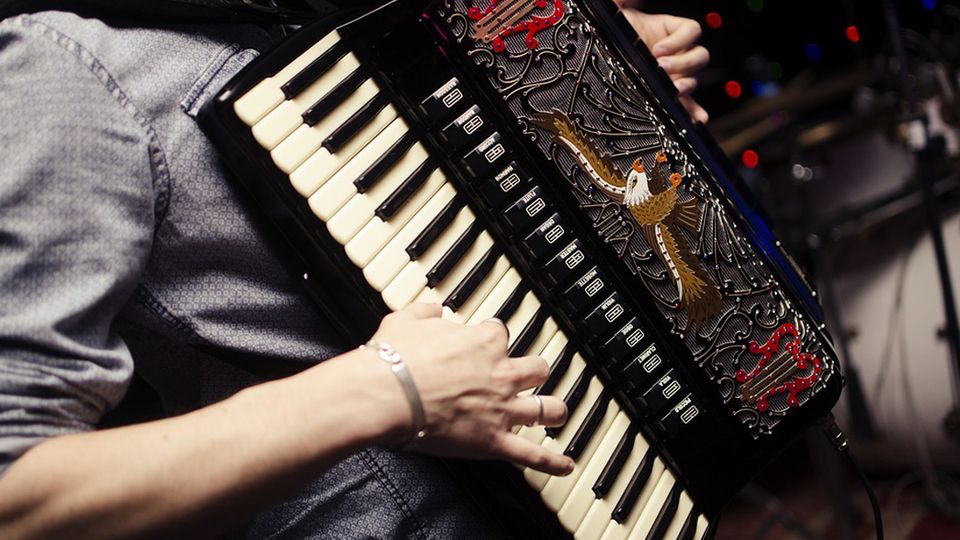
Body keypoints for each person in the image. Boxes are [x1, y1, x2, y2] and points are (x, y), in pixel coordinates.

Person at [0, 2, 709, 538]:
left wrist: (599, 68)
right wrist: (387, 391)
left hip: (623, 483)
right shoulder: (62, 66)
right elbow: (15, 494)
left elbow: (502, 200)